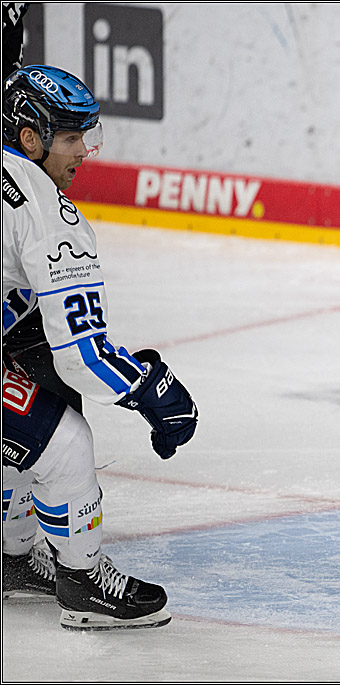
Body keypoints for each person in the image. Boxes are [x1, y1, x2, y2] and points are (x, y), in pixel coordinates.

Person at [2, 64, 199, 630]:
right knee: (63, 442)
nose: (84, 152)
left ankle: (11, 559)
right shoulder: (45, 213)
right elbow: (82, 356)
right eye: (71, 138)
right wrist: (153, 390)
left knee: (27, 417)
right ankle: (83, 584)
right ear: (30, 138)